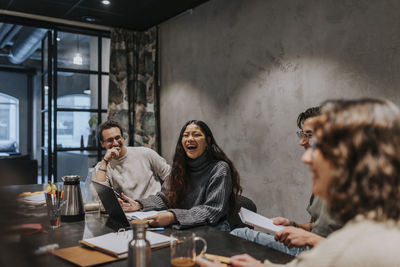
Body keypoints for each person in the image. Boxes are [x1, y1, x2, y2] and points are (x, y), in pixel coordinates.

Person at [197, 98, 400, 267]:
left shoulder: (365, 246)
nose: (306, 154)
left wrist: (311, 240)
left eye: (317, 143)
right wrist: (293, 227)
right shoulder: (365, 225)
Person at [230, 107, 342, 256]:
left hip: (325, 256)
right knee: (238, 234)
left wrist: (310, 239)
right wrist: (293, 226)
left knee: (240, 234)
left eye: (309, 135)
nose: (302, 142)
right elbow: (314, 225)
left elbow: (358, 251)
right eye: (302, 134)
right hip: (309, 247)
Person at [119, 120, 242, 231]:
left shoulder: (220, 168)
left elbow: (211, 211)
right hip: (185, 229)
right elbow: (165, 198)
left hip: (214, 231)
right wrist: (139, 204)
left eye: (196, 134)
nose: (190, 139)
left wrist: (173, 216)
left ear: (208, 141)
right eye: (186, 135)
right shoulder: (179, 167)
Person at [93, 120, 171, 199]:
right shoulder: (102, 167)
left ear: (123, 138)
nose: (115, 143)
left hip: (154, 207)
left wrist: (164, 198)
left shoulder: (145, 153)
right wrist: (105, 161)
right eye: (110, 140)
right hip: (128, 210)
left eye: (118, 138)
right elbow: (99, 196)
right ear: (102, 143)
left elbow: (170, 175)